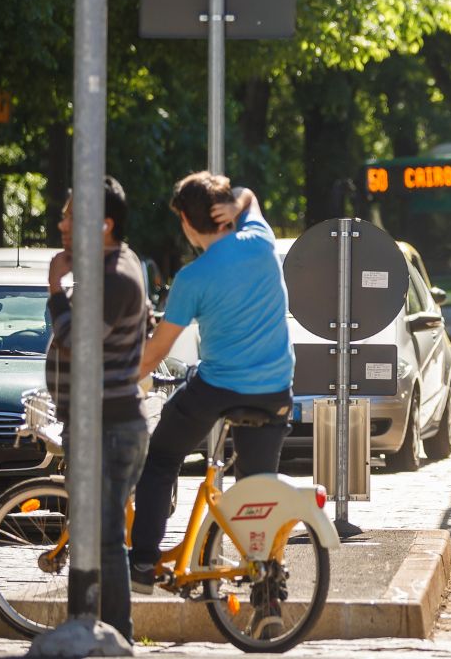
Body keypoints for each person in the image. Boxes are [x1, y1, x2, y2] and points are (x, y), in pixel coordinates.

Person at [129, 173, 293, 591]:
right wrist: (238, 204)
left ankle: (144, 564)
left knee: (162, 457)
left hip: (217, 387)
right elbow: (251, 193)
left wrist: (117, 380)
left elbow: (157, 351)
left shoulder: (193, 278)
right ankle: (266, 582)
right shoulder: (259, 240)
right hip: (274, 387)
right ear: (224, 215)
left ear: (186, 221)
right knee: (257, 487)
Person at [44, 176, 151, 641]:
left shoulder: (115, 277)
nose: (62, 223)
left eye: (72, 215)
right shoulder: (108, 266)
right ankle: (93, 631)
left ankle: (113, 637)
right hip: (100, 424)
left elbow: (76, 343)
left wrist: (54, 286)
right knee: (95, 534)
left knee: (103, 539)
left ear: (104, 225)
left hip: (107, 426)